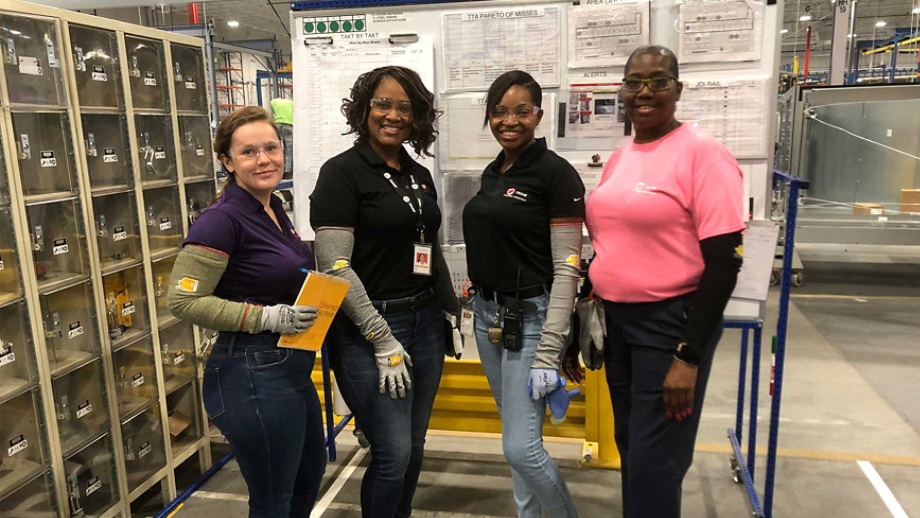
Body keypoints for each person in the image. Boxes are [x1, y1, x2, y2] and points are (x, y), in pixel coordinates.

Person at [582, 45, 744, 517]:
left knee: (657, 462)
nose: (645, 91)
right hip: (619, 326)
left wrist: (688, 356)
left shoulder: (703, 154)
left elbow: (723, 263)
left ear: (678, 88)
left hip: (671, 327)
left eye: (658, 81)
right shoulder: (622, 155)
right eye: (634, 82)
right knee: (633, 450)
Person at [310, 66, 460, 518]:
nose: (393, 115)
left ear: (417, 117)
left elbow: (428, 249)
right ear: (363, 109)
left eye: (405, 107)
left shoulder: (418, 174)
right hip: (368, 330)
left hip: (426, 322)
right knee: (392, 453)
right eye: (382, 104)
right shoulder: (342, 174)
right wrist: (381, 337)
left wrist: (451, 310)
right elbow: (334, 268)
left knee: (414, 447)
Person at [167, 106, 326, 518]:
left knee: (309, 475)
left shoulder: (273, 209)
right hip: (250, 372)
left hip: (288, 367)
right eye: (249, 152)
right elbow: (182, 300)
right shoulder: (221, 221)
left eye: (271, 148)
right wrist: (266, 316)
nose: (264, 159)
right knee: (274, 500)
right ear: (227, 161)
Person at [462, 70, 584, 518]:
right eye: (498, 112)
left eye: (520, 111)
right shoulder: (494, 171)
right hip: (488, 318)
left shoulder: (557, 175)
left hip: (532, 321)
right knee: (516, 434)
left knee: (520, 448)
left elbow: (567, 267)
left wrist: (551, 351)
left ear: (538, 114)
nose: (508, 121)